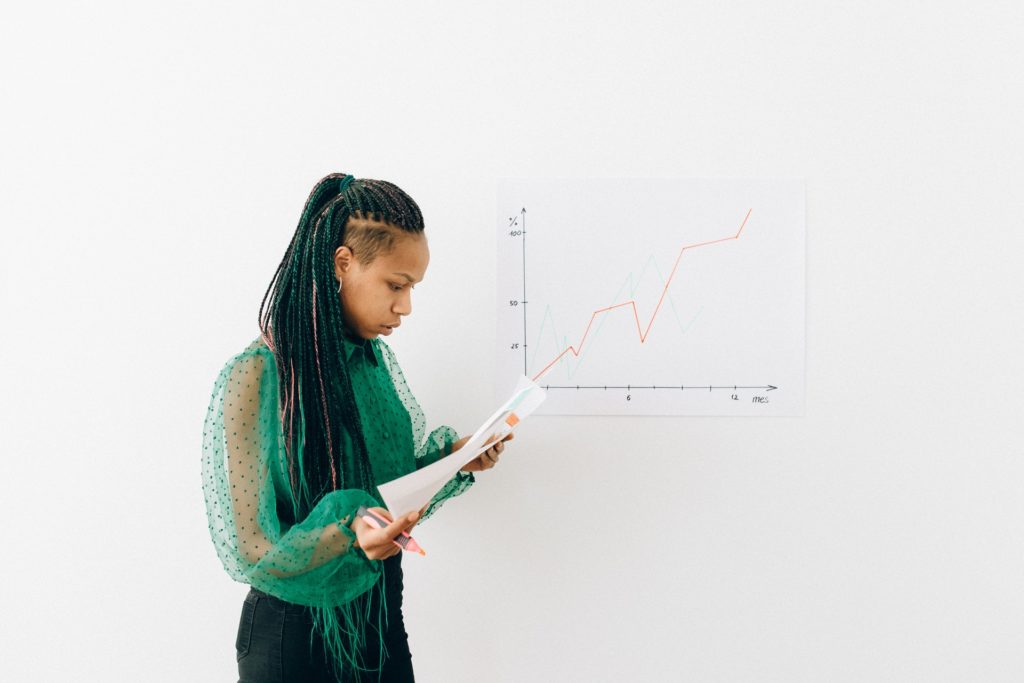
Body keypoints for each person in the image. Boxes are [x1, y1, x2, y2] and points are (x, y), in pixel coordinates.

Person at [201, 173, 512, 682]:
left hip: (380, 622)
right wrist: (350, 538)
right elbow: (250, 549)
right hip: (292, 641)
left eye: (412, 288)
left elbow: (387, 491)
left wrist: (456, 458)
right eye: (396, 285)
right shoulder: (256, 375)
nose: (406, 306)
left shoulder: (374, 363)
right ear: (343, 263)